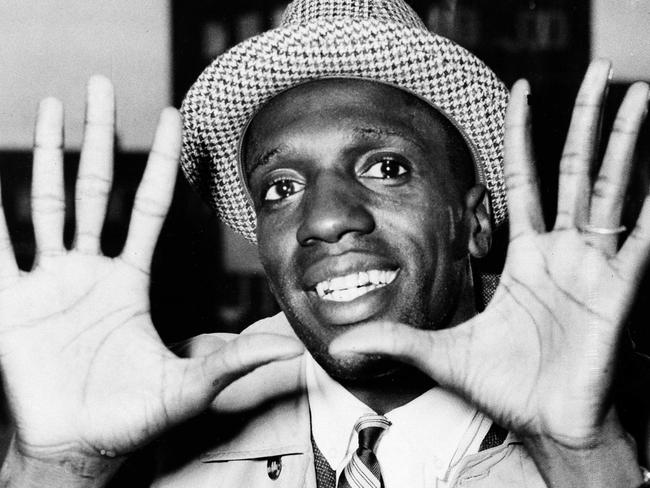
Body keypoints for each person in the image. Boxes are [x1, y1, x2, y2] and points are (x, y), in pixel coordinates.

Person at [0, 0, 649, 487]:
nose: (327, 219)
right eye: (280, 187)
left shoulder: (614, 433)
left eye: (385, 167)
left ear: (474, 223)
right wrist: (59, 468)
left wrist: (584, 456)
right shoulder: (159, 417)